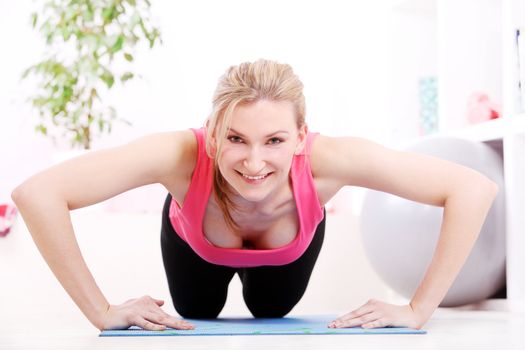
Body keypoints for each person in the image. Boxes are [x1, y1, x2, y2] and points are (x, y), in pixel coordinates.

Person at [11, 59, 498, 332]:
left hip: (288, 250)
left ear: (302, 136)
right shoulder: (179, 154)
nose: (254, 162)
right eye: (236, 138)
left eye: (275, 141)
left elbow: (472, 189)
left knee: (271, 312)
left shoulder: (334, 161)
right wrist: (100, 311)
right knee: (197, 311)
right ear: (213, 129)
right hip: (195, 241)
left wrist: (417, 311)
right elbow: (38, 194)